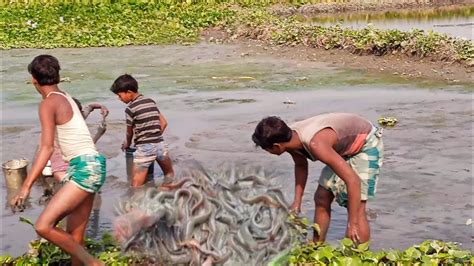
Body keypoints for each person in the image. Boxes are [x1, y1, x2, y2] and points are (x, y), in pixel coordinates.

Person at [10, 55, 106, 266]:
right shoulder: (66, 96)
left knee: (43, 226)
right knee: (74, 234)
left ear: (34, 79)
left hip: (84, 168)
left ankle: (93, 263)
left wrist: (26, 186)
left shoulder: (48, 103)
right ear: (58, 76)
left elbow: (46, 148)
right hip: (93, 164)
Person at [252, 113, 383, 244]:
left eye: (267, 149)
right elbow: (301, 165)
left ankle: (360, 255)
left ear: (276, 146)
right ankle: (317, 246)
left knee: (356, 207)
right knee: (321, 197)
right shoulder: (290, 138)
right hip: (342, 147)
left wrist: (352, 224)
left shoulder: (316, 144)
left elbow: (353, 181)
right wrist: (297, 202)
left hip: (365, 143)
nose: (268, 152)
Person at [110, 74, 174, 187]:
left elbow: (129, 132)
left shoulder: (130, 109)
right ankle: (166, 193)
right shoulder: (150, 101)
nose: (119, 99)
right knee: (169, 174)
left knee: (136, 186)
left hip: (145, 148)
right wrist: (154, 137)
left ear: (129, 92)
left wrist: (127, 144)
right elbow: (164, 123)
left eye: (120, 96)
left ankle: (138, 203)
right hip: (160, 145)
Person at [47, 99, 109, 182]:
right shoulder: (63, 128)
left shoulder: (74, 118)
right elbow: (84, 148)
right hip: (62, 162)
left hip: (72, 158)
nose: (81, 115)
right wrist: (99, 134)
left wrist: (101, 106)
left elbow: (90, 107)